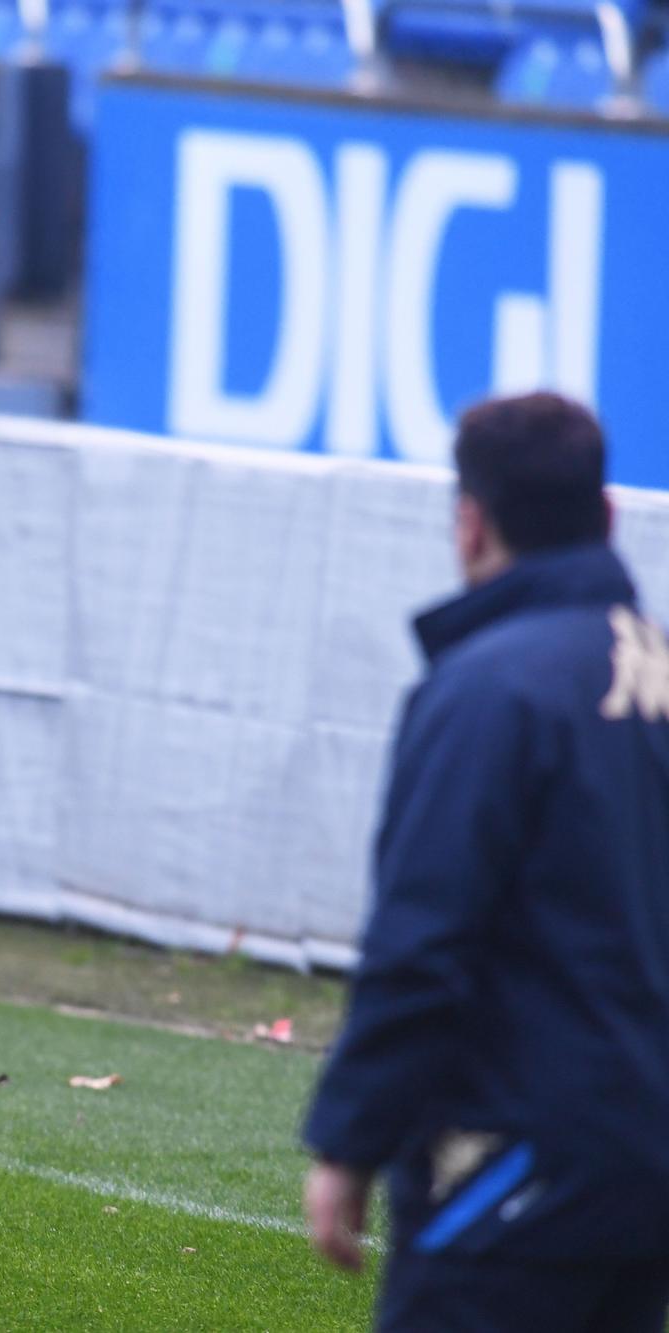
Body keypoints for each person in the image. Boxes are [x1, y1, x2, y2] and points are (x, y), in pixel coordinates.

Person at [301, 392, 669, 1331]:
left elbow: (422, 939)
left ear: (470, 522)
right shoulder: (652, 664)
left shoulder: (489, 687)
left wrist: (348, 1143)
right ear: (607, 515)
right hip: (645, 1155)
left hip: (519, 1159)